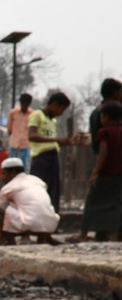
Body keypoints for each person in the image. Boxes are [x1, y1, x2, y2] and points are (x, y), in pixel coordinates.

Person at [28, 91, 77, 211]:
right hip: (41, 158)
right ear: (54, 104)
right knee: (39, 189)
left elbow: (52, 142)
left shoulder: (52, 121)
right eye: (61, 109)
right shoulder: (37, 115)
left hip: (53, 157)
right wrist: (56, 139)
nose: (61, 113)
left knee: (53, 190)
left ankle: (51, 215)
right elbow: (32, 136)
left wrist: (68, 141)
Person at [80, 101, 122, 240]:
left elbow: (103, 153)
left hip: (105, 173)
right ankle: (114, 234)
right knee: (115, 203)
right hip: (118, 174)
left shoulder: (104, 131)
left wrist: (95, 172)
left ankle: (83, 233)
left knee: (92, 200)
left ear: (105, 117)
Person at [0, 157, 59, 244]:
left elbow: (1, 206)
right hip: (51, 224)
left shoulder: (8, 188)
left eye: (4, 174)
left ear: (13, 173)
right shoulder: (37, 180)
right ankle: (43, 237)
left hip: (29, 225)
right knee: (28, 206)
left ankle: (9, 241)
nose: (1, 177)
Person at [88, 78, 122, 156]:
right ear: (115, 93)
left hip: (102, 157)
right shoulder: (117, 111)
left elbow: (95, 145)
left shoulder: (95, 113)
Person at [6, 93, 34, 170]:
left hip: (26, 146)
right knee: (12, 168)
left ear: (29, 104)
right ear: (20, 103)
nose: (24, 106)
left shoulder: (33, 114)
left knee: (24, 168)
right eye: (23, 104)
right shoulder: (13, 113)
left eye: (26, 104)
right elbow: (9, 130)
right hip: (14, 145)